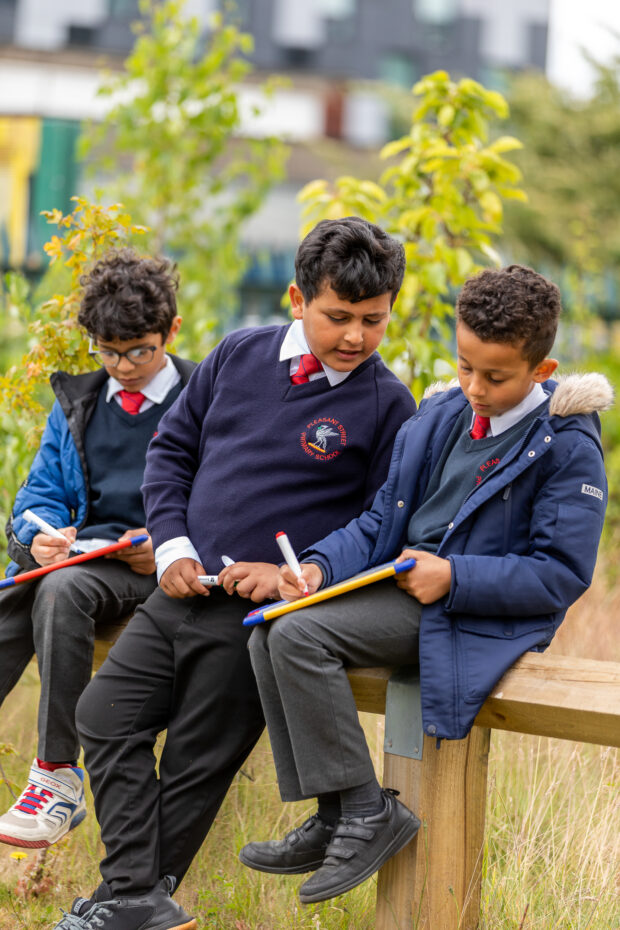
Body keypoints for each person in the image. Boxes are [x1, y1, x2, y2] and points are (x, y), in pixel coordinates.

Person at [52, 217, 417, 930]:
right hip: (179, 588)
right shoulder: (237, 355)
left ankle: (126, 901)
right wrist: (173, 548)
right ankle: (134, 895)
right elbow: (171, 454)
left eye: (373, 321)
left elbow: (379, 526)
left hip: (259, 619)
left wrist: (292, 578)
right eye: (337, 316)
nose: (354, 337)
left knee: (195, 761)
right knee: (101, 716)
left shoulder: (387, 404)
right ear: (296, 298)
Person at [240, 264, 610, 905]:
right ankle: (336, 814)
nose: (474, 387)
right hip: (406, 588)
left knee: (300, 639)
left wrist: (455, 577)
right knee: (271, 628)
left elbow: (559, 575)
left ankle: (364, 810)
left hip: (470, 613)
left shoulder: (565, 447)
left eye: (494, 377)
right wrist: (319, 567)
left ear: (540, 373)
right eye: (465, 366)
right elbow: (382, 520)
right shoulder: (440, 416)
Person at [0, 249, 194, 852]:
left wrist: (167, 544)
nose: (124, 366)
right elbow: (39, 495)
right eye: (108, 352)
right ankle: (53, 778)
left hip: (155, 569)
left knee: (58, 588)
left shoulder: (202, 399)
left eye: (140, 350)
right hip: (85, 557)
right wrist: (39, 535)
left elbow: (229, 499)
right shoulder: (79, 403)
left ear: (171, 332)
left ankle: (56, 775)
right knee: (15, 589)